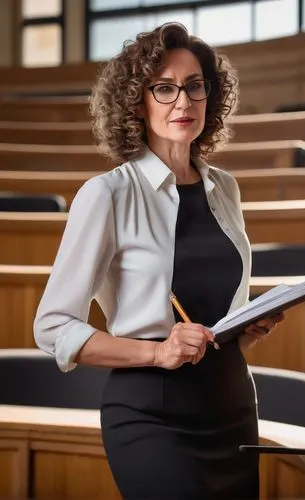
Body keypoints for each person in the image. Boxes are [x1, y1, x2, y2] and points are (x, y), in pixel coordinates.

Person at [33, 22, 284, 499]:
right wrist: (157, 352)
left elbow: (210, 313)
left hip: (232, 408)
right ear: (137, 101)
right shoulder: (107, 194)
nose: (183, 102)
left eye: (194, 86)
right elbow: (53, 326)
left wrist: (241, 330)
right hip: (152, 414)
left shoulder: (225, 188)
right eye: (165, 88)